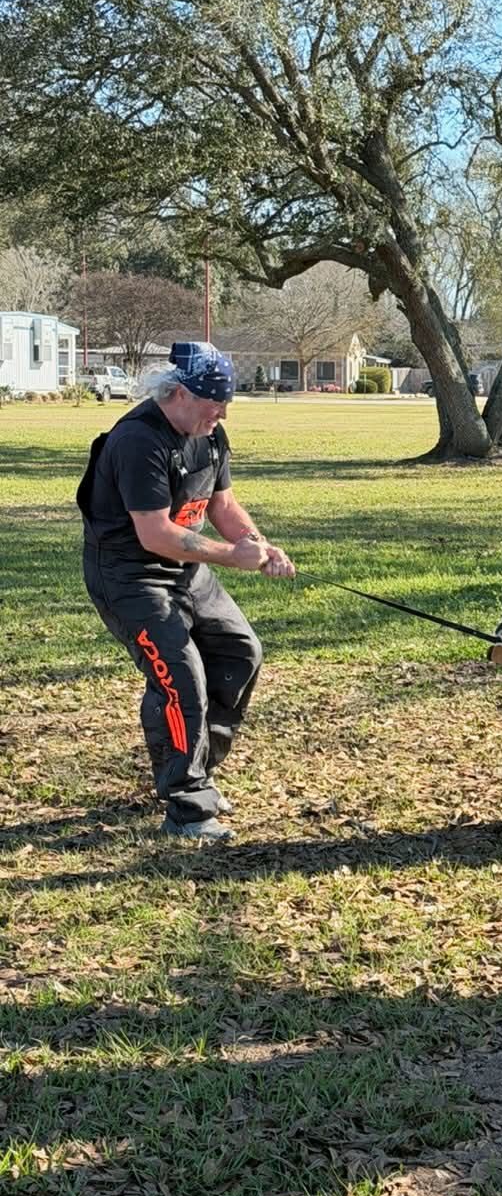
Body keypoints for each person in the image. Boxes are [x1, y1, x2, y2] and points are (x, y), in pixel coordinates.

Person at [77, 341, 295, 841]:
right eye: (212, 404)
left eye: (225, 406)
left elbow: (223, 504)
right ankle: (187, 806)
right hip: (130, 576)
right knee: (182, 678)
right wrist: (230, 556)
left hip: (186, 571)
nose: (219, 415)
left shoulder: (209, 434)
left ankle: (196, 767)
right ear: (176, 393)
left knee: (240, 652)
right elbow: (155, 535)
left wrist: (257, 544)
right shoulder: (138, 441)